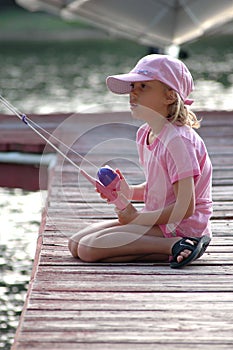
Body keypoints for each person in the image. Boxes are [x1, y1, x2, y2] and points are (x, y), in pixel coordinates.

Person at [68, 54, 212, 268]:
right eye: (133, 85)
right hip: (162, 223)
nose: (132, 92)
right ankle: (170, 249)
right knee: (75, 244)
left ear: (170, 96)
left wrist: (136, 219)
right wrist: (127, 192)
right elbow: (161, 188)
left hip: (182, 226)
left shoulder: (178, 142)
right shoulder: (146, 133)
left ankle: (178, 245)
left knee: (89, 249)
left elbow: (185, 208)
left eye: (143, 86)